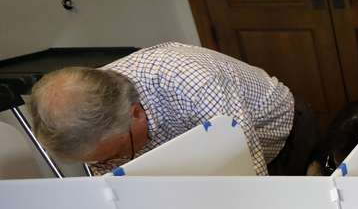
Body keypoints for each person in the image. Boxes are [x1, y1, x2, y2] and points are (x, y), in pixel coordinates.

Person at [28, 42, 312, 176]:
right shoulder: (89, 103)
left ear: (135, 112)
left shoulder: (193, 82)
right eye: (99, 162)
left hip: (280, 138)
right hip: (196, 160)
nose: (111, 166)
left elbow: (248, 178)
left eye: (116, 154)